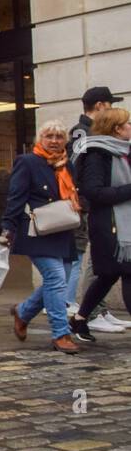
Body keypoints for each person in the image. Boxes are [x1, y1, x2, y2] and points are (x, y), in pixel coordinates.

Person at [1, 119, 81, 354]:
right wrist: (8, 228)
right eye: (49, 136)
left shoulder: (68, 165)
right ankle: (61, 333)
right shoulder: (27, 162)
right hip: (36, 230)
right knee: (56, 278)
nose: (55, 141)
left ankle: (23, 312)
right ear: (40, 139)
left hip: (63, 229)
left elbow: (74, 194)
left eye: (59, 137)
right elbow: (15, 196)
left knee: (57, 281)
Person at [68, 86, 130, 333]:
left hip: (124, 224)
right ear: (116, 129)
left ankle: (81, 318)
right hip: (109, 225)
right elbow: (93, 192)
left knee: (107, 275)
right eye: (127, 123)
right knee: (125, 272)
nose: (130, 126)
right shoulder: (97, 153)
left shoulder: (125, 152)